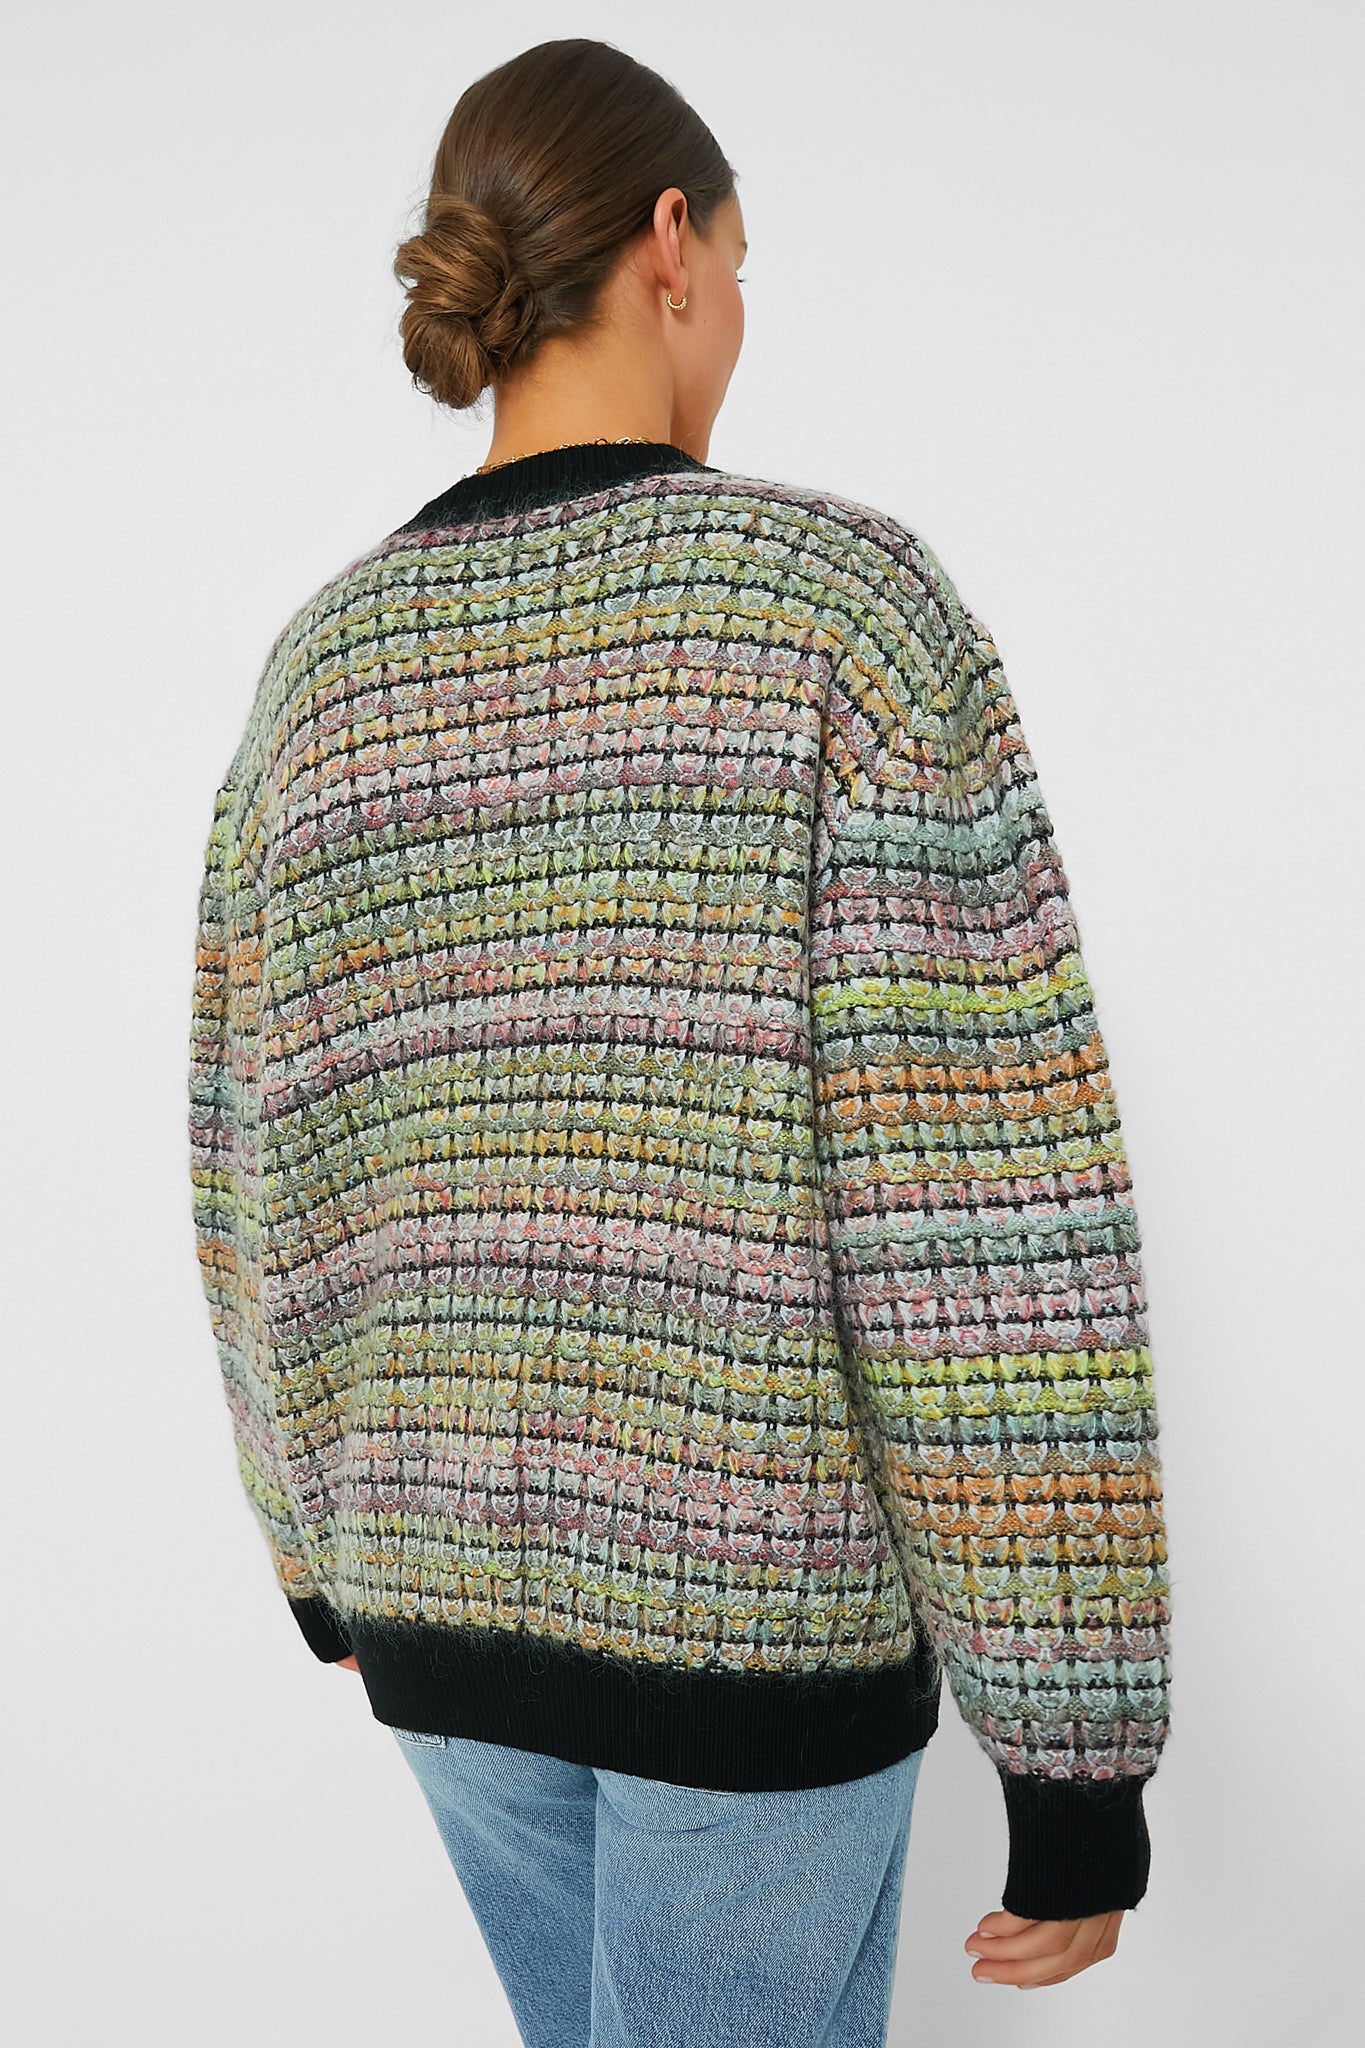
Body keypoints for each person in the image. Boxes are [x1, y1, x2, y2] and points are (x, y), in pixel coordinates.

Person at [188, 35, 1174, 2048]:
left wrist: (316, 1556)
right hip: (747, 1638)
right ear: (670, 245)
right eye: (741, 259)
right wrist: (1073, 1755)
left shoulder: (321, 668)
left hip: (434, 1617)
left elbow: (247, 1161)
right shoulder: (838, 615)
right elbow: (976, 1219)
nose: (736, 304)